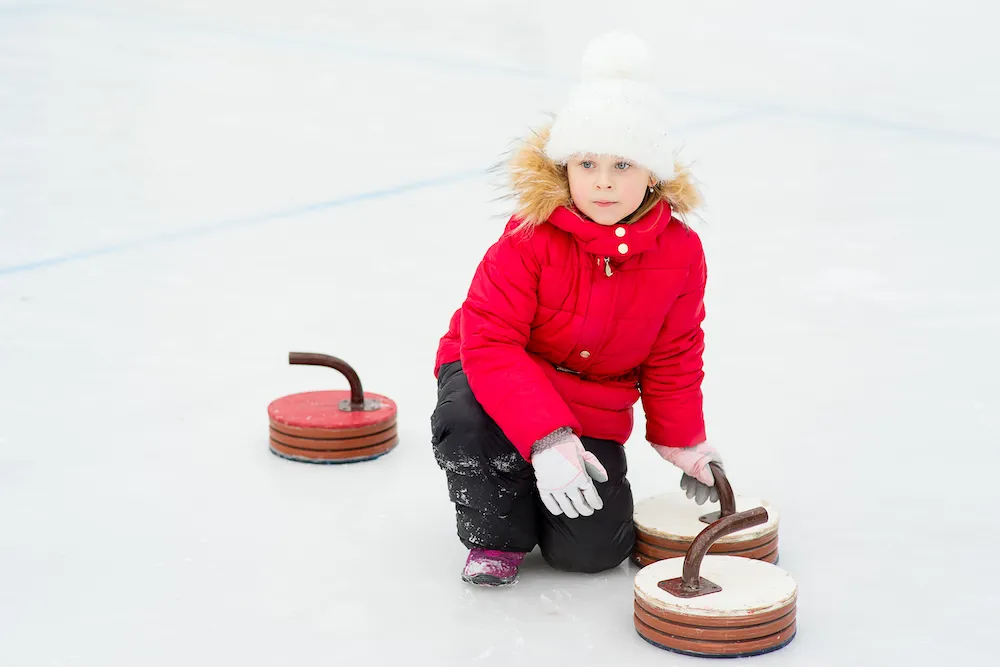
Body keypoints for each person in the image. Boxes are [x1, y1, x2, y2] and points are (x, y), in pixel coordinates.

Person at [430, 31, 723, 587]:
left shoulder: (682, 252)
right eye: (587, 163)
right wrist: (545, 439)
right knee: (467, 420)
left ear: (653, 174)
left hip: (593, 397)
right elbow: (489, 342)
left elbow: (675, 350)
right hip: (490, 371)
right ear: (566, 165)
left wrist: (682, 440)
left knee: (589, 554)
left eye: (624, 165)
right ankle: (497, 536)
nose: (604, 182)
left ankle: (540, 486)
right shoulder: (528, 238)